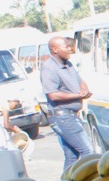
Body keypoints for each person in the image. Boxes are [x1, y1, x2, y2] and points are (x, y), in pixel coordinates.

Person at [38, 35, 95, 168]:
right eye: (66, 46)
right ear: (55, 49)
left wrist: (84, 90)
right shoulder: (49, 68)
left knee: (72, 157)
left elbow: (80, 82)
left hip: (70, 115)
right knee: (88, 151)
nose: (70, 49)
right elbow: (53, 95)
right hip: (62, 116)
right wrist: (77, 96)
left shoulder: (67, 64)